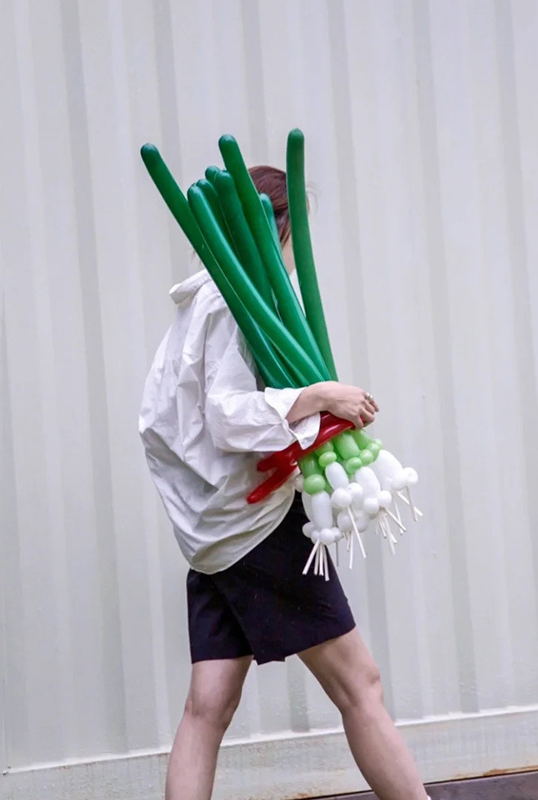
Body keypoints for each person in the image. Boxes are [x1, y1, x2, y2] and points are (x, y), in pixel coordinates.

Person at [139, 165, 429, 800]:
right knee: (361, 684)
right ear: (276, 230)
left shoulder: (200, 302)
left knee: (206, 707)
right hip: (258, 528)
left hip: (216, 537)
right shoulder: (231, 304)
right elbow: (227, 415)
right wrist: (320, 393)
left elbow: (170, 424)